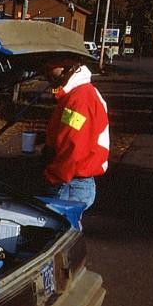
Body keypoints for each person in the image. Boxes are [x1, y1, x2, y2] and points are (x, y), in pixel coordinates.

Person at [40, 61, 109, 210]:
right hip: (73, 182)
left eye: (50, 66)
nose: (45, 72)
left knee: (55, 229)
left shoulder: (79, 99)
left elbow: (74, 145)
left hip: (69, 184)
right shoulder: (77, 94)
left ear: (66, 66)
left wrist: (53, 177)